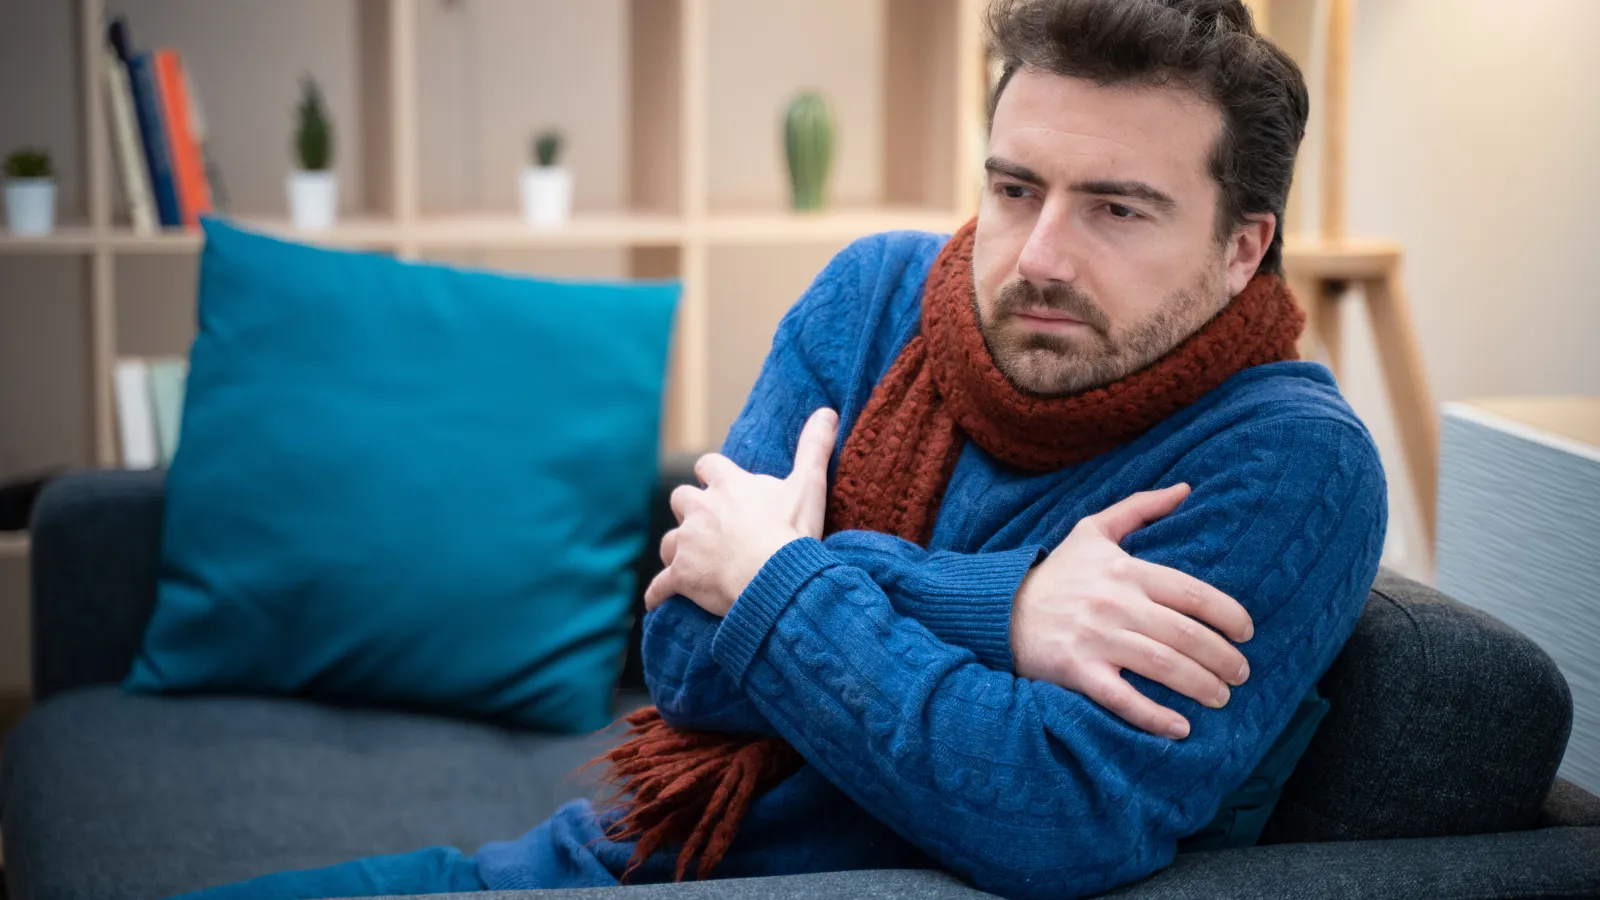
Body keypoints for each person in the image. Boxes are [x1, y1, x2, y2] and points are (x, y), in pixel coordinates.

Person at [176, 0, 1386, 897]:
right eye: (1015, 189)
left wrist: (772, 572)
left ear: (1243, 247)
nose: (1037, 258)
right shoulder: (873, 297)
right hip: (590, 856)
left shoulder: (1285, 461)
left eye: (1117, 209)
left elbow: (1051, 811)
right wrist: (997, 605)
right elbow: (687, 663)